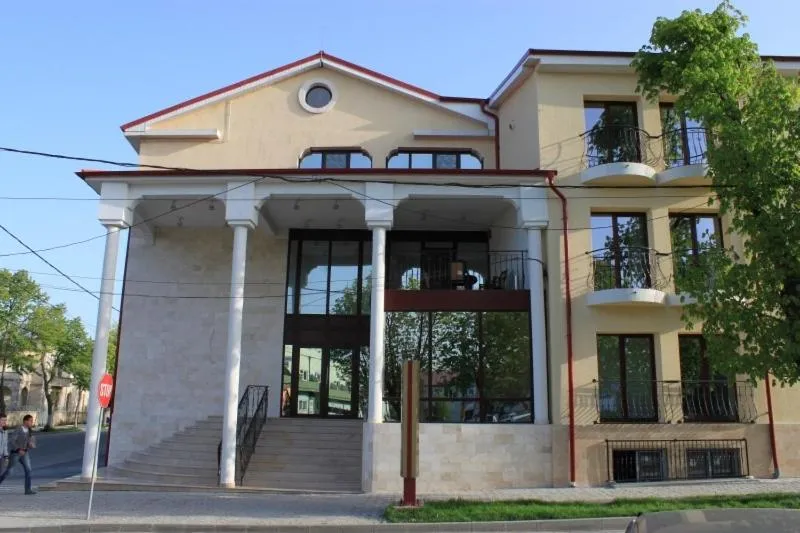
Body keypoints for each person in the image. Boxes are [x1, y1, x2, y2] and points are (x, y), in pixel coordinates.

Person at [0, 413, 37, 495]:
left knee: (28, 470)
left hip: (24, 453)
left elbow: (32, 442)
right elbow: (12, 440)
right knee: (9, 471)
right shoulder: (19, 429)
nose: (32, 422)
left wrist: (31, 445)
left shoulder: (30, 431)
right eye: (30, 421)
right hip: (16, 453)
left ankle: (27, 490)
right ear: (25, 421)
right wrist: (18, 449)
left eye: (32, 421)